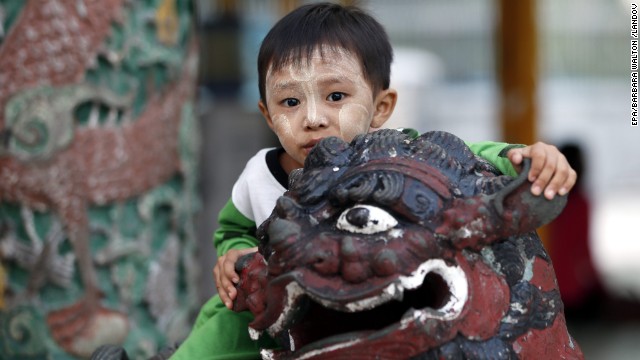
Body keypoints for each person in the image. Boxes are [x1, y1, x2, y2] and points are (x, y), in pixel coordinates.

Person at [171, 3, 576, 359]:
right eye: (290, 102)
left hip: (378, 295)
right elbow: (232, 228)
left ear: (381, 107)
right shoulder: (260, 173)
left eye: (336, 97)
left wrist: (519, 157)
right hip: (278, 302)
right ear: (266, 113)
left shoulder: (392, 159)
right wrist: (236, 254)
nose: (313, 118)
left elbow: (462, 156)